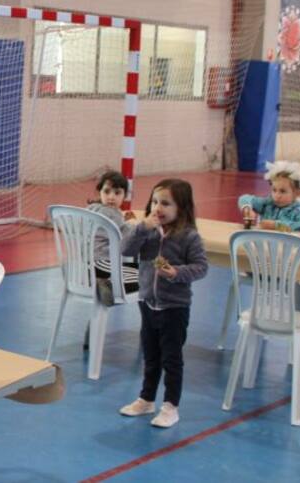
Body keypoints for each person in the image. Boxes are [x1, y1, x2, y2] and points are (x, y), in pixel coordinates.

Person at [118, 179, 208, 429]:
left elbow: (201, 267)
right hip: (147, 302)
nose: (158, 207)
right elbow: (125, 249)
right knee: (151, 355)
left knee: (171, 358)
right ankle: (146, 399)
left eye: (166, 203)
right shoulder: (147, 232)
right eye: (155, 202)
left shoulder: (189, 236)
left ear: (182, 208)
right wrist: (140, 228)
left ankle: (170, 406)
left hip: (174, 307)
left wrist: (176, 272)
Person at [86, 170, 137, 305]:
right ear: (100, 193)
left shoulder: (91, 209)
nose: (111, 197)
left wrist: (123, 221)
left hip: (82, 268)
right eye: (107, 192)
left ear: (124, 195)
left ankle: (100, 282)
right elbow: (129, 237)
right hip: (102, 264)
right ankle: (108, 283)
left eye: (117, 192)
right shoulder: (112, 213)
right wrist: (134, 225)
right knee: (145, 273)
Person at [237, 161, 300, 233]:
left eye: (282, 191)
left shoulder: (298, 210)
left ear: (297, 192)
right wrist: (246, 208)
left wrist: (277, 226)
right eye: (274, 190)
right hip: (264, 244)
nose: (277, 196)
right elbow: (245, 198)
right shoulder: (268, 203)